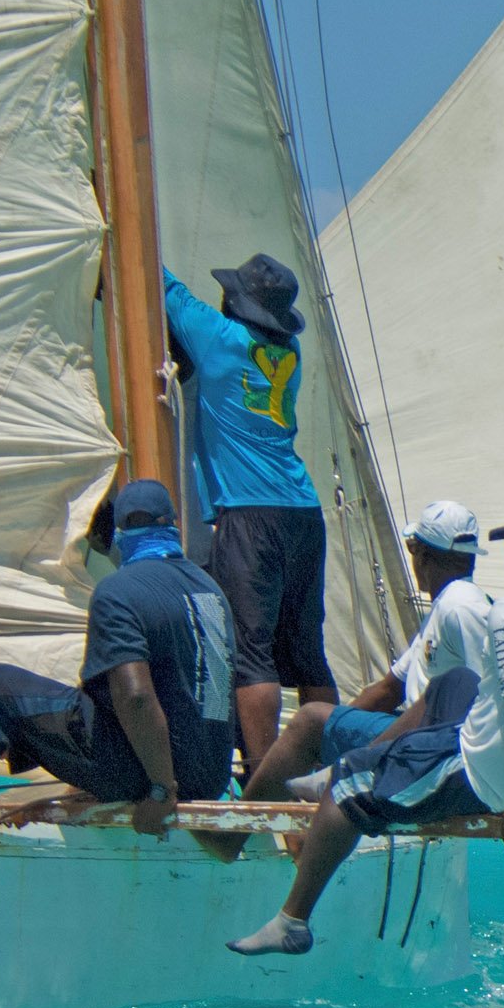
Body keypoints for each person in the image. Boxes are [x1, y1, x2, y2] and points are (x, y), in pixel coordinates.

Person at [229, 492, 504, 957]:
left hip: (492, 779)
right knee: (450, 685)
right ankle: (344, 770)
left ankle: (293, 921)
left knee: (349, 787)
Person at [163, 255, 333, 777]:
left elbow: (158, 281)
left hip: (249, 514)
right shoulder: (291, 350)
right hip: (303, 511)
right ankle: (319, 771)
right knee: (308, 653)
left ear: (235, 303)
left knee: (251, 655)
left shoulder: (218, 338)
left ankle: (265, 780)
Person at [0, 481, 233, 834]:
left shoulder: (118, 592)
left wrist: (162, 792)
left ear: (120, 533)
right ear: (173, 525)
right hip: (208, 777)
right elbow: (219, 692)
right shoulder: (211, 591)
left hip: (146, 779)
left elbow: (135, 697)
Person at [241, 501, 493, 802]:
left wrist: (321, 732)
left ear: (421, 553)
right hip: (419, 735)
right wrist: (336, 732)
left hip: (432, 745)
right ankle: (327, 784)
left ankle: (243, 829)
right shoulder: (448, 604)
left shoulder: (460, 607)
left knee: (309, 720)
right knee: (319, 725)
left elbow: (487, 695)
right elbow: (388, 689)